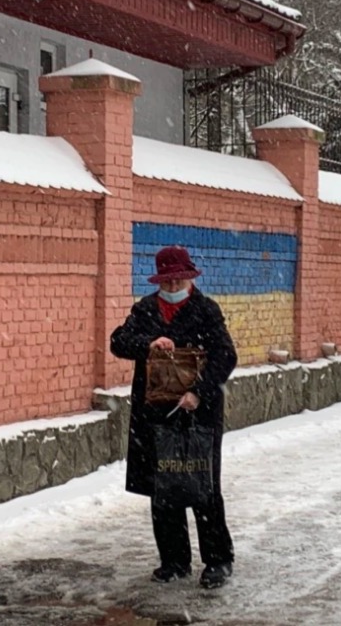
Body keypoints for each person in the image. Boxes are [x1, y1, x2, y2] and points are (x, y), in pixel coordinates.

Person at [110, 246, 238, 589]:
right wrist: (149, 342)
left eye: (178, 278)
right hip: (156, 414)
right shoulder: (146, 309)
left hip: (197, 412)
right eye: (167, 280)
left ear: (189, 277)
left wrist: (199, 392)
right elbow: (119, 342)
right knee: (163, 488)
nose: (173, 285)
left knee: (203, 487)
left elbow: (226, 356)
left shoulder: (205, 309)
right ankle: (174, 561)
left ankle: (217, 560)